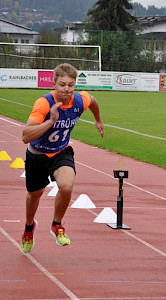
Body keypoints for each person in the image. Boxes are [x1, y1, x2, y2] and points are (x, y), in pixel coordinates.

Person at [21, 63, 104, 253]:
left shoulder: (79, 99)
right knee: (35, 195)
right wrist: (51, 121)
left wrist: (98, 119)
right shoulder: (43, 103)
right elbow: (25, 136)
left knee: (67, 185)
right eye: (62, 84)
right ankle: (28, 227)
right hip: (38, 153)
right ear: (54, 84)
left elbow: (92, 100)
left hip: (61, 151)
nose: (67, 89)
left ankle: (56, 225)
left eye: (71, 84)